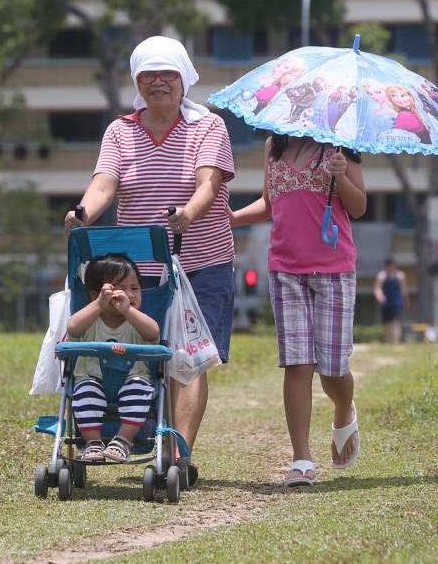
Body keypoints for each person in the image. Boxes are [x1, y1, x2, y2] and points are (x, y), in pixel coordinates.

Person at [64, 36, 236, 486]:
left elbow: (208, 185)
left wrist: (187, 215)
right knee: (150, 354)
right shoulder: (120, 131)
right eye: (149, 76)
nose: (158, 83)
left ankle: (176, 456)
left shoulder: (208, 127)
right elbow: (104, 183)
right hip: (141, 273)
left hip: (203, 260)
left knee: (188, 359)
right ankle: (137, 438)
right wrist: (82, 213)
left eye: (168, 75)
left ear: (184, 79)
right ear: (138, 82)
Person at [228, 133, 366, 486]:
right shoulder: (274, 143)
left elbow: (359, 206)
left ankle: (342, 408)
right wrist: (231, 218)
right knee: (297, 361)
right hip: (285, 270)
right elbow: (269, 203)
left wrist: (341, 178)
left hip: (334, 270)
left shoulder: (341, 143)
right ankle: (301, 458)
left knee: (333, 368)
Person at [67, 254, 160, 462]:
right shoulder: (90, 320)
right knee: (84, 393)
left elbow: (153, 333)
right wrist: (99, 304)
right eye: (120, 289)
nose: (130, 294)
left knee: (140, 390)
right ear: (96, 294)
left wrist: (128, 311)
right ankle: (93, 443)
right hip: (92, 379)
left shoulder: (137, 321)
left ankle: (123, 440)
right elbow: (72, 328)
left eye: (135, 288)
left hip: (133, 380)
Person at [374, 257, 408, 344]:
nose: (390, 267)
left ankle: (396, 342)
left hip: (396, 302)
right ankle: (387, 342)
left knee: (396, 322)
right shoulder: (381, 275)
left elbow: (403, 289)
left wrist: (406, 301)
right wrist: (380, 296)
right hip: (386, 302)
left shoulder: (400, 276)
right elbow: (377, 288)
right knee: (387, 324)